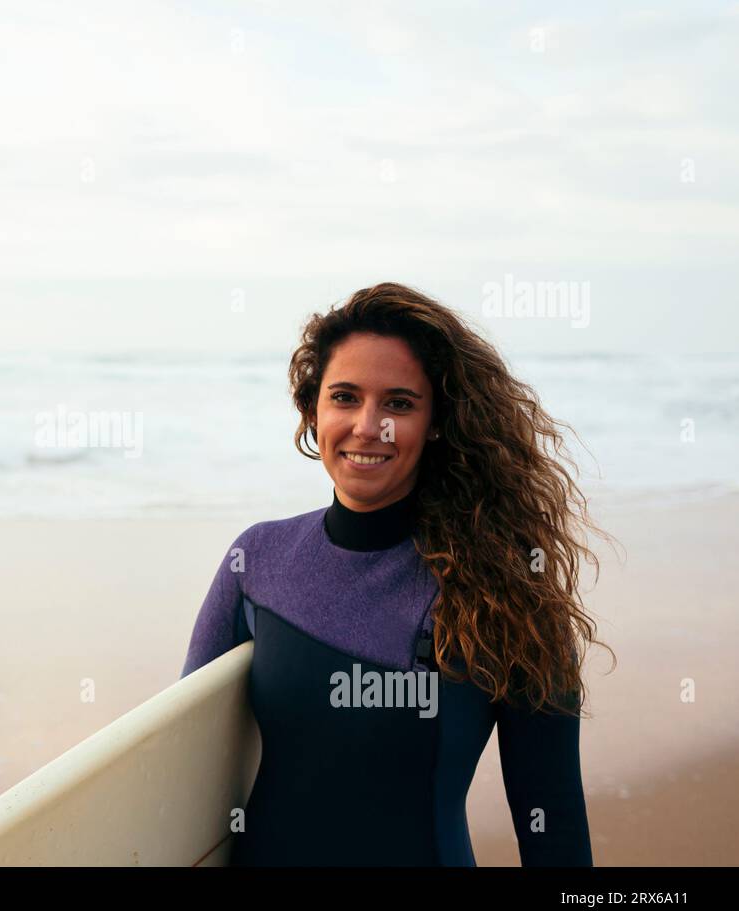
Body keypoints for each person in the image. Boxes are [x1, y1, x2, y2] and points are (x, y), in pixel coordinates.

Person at [181, 282, 616, 866]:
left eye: (399, 403)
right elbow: (180, 759)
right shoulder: (256, 560)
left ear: (437, 422)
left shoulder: (503, 588)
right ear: (313, 410)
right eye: (344, 397)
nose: (369, 426)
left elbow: (551, 816)